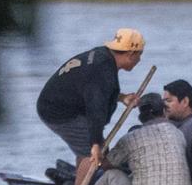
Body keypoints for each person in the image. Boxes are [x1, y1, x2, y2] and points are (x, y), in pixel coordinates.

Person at [35, 28, 145, 173]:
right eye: (139, 55)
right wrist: (95, 143)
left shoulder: (103, 56)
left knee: (98, 153)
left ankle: (85, 181)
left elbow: (92, 89)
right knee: (91, 154)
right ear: (131, 54)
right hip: (58, 112)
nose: (139, 60)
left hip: (59, 104)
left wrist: (122, 97)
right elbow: (96, 108)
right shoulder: (102, 70)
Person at [89, 93, 192, 185]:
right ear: (164, 111)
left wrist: (99, 145)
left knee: (112, 175)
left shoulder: (131, 138)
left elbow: (105, 165)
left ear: (140, 117)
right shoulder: (178, 133)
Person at [162, 79, 192, 145]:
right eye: (163, 101)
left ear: (185, 102)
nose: (164, 105)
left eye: (169, 101)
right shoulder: (184, 122)